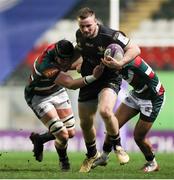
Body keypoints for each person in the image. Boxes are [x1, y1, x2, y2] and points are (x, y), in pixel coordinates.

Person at [29, 7, 141, 173]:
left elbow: (135, 49)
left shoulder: (111, 35)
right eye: (82, 26)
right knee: (85, 122)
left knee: (105, 111)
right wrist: (73, 65)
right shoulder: (79, 36)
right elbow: (80, 52)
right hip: (90, 78)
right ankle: (91, 155)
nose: (86, 29)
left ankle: (118, 146)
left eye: (88, 25)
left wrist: (120, 62)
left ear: (95, 22)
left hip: (109, 78)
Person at [25, 39, 103, 171]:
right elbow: (70, 84)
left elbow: (78, 54)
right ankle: (63, 160)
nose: (66, 62)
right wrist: (93, 77)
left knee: (71, 133)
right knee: (63, 135)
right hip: (39, 96)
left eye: (68, 58)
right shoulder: (45, 65)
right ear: (56, 56)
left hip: (56, 90)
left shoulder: (67, 49)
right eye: (63, 60)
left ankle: (40, 139)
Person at [92, 55, 165, 173]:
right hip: (137, 94)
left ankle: (152, 162)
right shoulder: (115, 62)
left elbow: (150, 75)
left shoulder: (133, 62)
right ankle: (104, 156)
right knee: (113, 124)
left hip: (152, 99)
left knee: (138, 137)